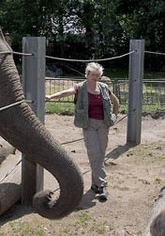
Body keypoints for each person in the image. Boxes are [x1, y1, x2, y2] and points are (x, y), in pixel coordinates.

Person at [45, 62, 120, 201]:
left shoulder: (104, 88)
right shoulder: (80, 87)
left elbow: (115, 101)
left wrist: (115, 116)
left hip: (103, 124)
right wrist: (51, 97)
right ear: (87, 75)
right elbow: (66, 92)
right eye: (93, 75)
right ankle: (103, 185)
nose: (95, 78)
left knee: (99, 155)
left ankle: (94, 185)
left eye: (98, 75)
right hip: (88, 123)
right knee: (94, 153)